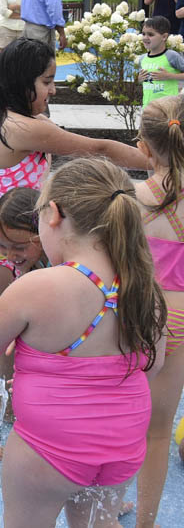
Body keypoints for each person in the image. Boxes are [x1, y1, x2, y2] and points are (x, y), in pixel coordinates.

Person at [0, 157, 165, 527]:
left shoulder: (40, 286)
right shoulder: (144, 287)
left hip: (49, 449)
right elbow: (152, 367)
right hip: (123, 444)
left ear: (54, 214)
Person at [0, 38, 148, 461]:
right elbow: (95, 150)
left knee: (7, 342)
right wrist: (159, 165)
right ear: (25, 82)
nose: (52, 90)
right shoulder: (23, 128)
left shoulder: (8, 116)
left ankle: (14, 415)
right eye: (46, 81)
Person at [134, 95, 184, 527]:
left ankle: (111, 502)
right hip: (183, 319)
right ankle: (145, 522)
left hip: (142, 316)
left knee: (123, 417)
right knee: (159, 432)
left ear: (145, 148)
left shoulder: (131, 198)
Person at [0, 187, 48, 276]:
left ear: (44, 235)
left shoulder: (61, 268)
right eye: (1, 245)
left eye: (19, 248)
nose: (10, 257)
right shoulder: (34, 263)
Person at [139, 15, 184, 108]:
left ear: (164, 36)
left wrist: (169, 76)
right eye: (143, 34)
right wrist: (139, 79)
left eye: (150, 34)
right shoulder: (142, 59)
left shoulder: (172, 56)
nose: (145, 37)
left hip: (169, 110)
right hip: (148, 109)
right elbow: (144, 82)